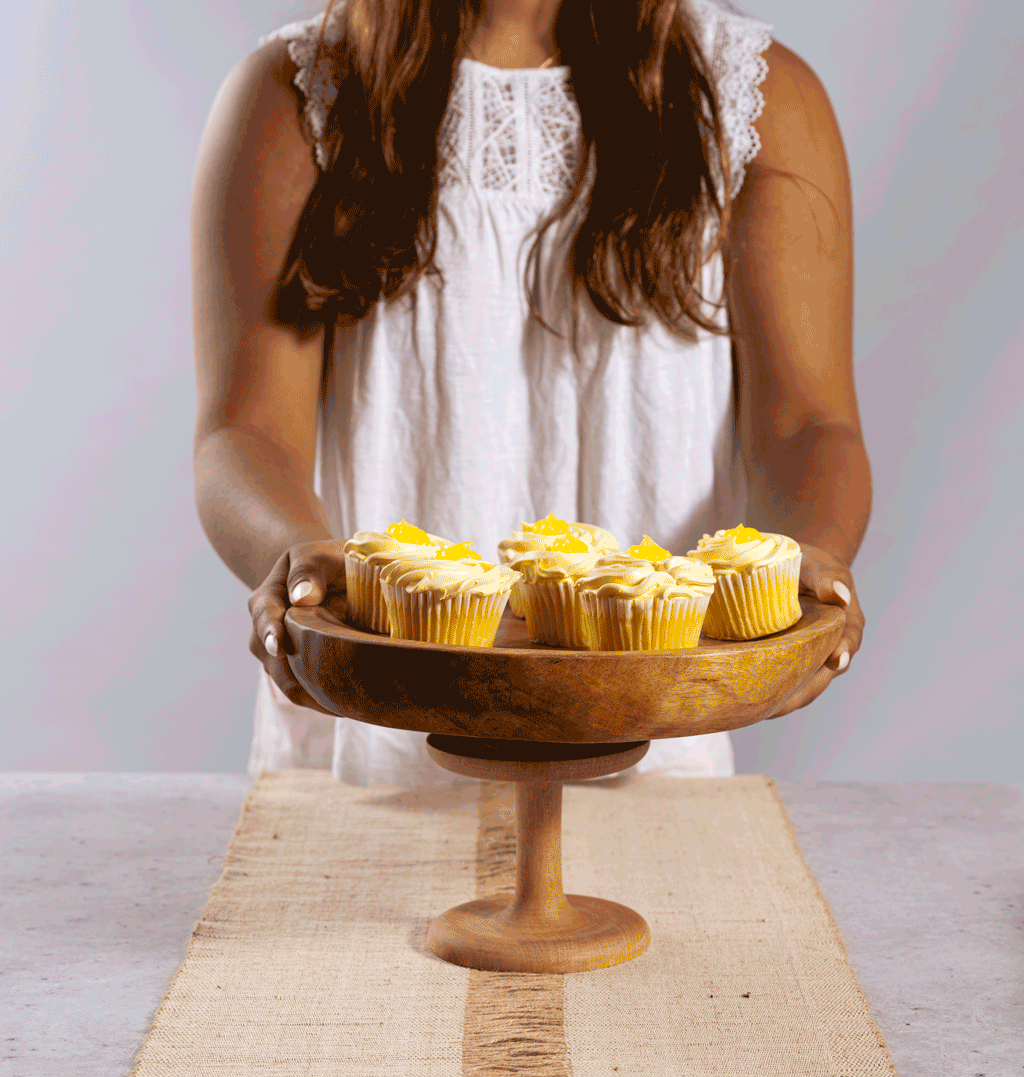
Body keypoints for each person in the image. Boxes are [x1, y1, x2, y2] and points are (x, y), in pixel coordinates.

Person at [191, 0, 869, 786]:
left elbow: (807, 424)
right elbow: (243, 433)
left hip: (659, 739)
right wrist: (296, 554)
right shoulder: (298, 93)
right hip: (374, 752)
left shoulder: (757, 96)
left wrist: (810, 554)